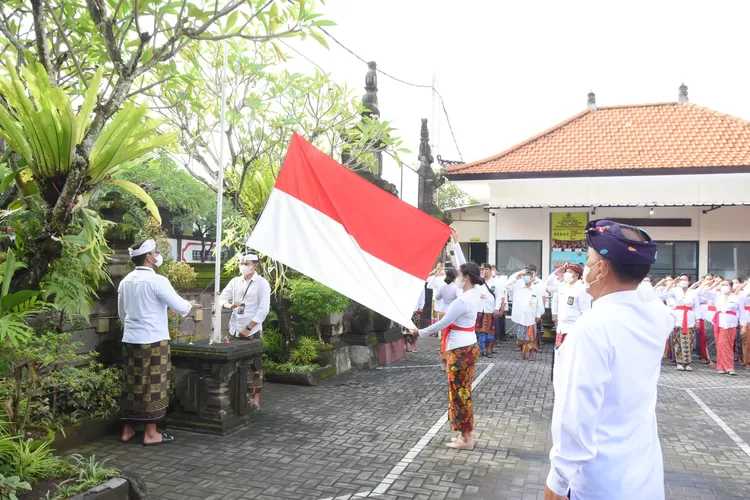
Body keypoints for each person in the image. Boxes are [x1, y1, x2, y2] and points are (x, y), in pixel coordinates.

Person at [545, 220, 673, 500]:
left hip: (599, 483)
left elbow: (575, 417)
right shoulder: (657, 316)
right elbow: (647, 295)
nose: (584, 268)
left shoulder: (591, 329)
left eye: (588, 260)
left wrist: (557, 482)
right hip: (645, 477)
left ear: (602, 269)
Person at [118, 239, 195, 446]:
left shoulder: (125, 281)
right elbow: (180, 307)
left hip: (130, 340)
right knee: (153, 384)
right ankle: (151, 433)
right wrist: (189, 304)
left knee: (132, 383)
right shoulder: (158, 281)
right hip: (153, 341)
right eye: (155, 251)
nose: (157, 254)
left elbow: (122, 313)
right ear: (149, 257)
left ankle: (127, 429)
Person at [411, 262, 482, 450]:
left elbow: (442, 324)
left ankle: (466, 438)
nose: (456, 276)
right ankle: (465, 435)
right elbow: (466, 265)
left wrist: (419, 332)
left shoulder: (462, 301)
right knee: (463, 392)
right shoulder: (474, 293)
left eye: (460, 274)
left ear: (466, 278)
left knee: (459, 394)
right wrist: (456, 244)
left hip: (460, 350)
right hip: (469, 346)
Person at [218, 254, 271, 409]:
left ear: (256, 265)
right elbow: (221, 298)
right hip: (234, 328)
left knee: (254, 366)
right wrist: (229, 306)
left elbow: (264, 309)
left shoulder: (262, 283)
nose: (242, 265)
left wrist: (248, 328)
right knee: (235, 364)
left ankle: (255, 400)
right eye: (241, 263)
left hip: (251, 331)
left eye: (246, 263)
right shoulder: (235, 282)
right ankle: (238, 396)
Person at [700, 277, 746, 375]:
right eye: (723, 285)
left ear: (731, 287)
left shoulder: (737, 298)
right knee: (720, 344)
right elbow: (703, 292)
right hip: (719, 322)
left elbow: (742, 313)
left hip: (730, 324)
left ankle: (729, 367)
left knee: (728, 345)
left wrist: (743, 325)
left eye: (726, 285)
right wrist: (714, 284)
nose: (723, 287)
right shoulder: (717, 296)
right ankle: (721, 366)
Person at [661, 274, 701, 371]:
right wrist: (672, 283)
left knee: (689, 341)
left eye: (684, 279)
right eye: (681, 279)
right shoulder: (675, 291)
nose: (682, 281)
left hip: (690, 318)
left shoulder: (693, 292)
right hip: (678, 318)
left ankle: (687, 362)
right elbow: (664, 295)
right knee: (678, 341)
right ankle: (679, 362)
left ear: (689, 282)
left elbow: (697, 307)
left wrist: (698, 319)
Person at [546, 264, 592, 346]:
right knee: (560, 354)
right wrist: (555, 272)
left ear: (577, 275)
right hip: (561, 328)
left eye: (570, 272)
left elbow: (585, 311)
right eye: (566, 272)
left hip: (574, 329)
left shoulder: (581, 289)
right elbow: (548, 286)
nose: (567, 274)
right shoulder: (563, 287)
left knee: (571, 356)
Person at [505, 267, 544, 361]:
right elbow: (507, 285)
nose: (526, 277)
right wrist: (517, 276)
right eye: (525, 276)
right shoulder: (517, 286)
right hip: (520, 317)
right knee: (521, 337)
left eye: (528, 276)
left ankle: (531, 355)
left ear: (532, 277)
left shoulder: (535, 288)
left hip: (531, 317)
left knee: (531, 337)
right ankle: (522, 354)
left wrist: (539, 314)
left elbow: (539, 303)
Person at [475, 264, 497, 357]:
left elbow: (499, 296)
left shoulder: (495, 282)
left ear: (490, 270)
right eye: (483, 269)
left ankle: (489, 350)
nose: (484, 271)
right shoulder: (477, 282)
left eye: (486, 269)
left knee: (490, 331)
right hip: (479, 309)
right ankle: (480, 349)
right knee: (479, 331)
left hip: (490, 309)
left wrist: (497, 308)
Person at [403, 287, 425, 352]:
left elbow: (422, 297)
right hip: (405, 309)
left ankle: (413, 346)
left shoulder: (420, 284)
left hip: (415, 309)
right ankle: (405, 346)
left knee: (415, 330)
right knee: (404, 330)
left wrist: (421, 306)